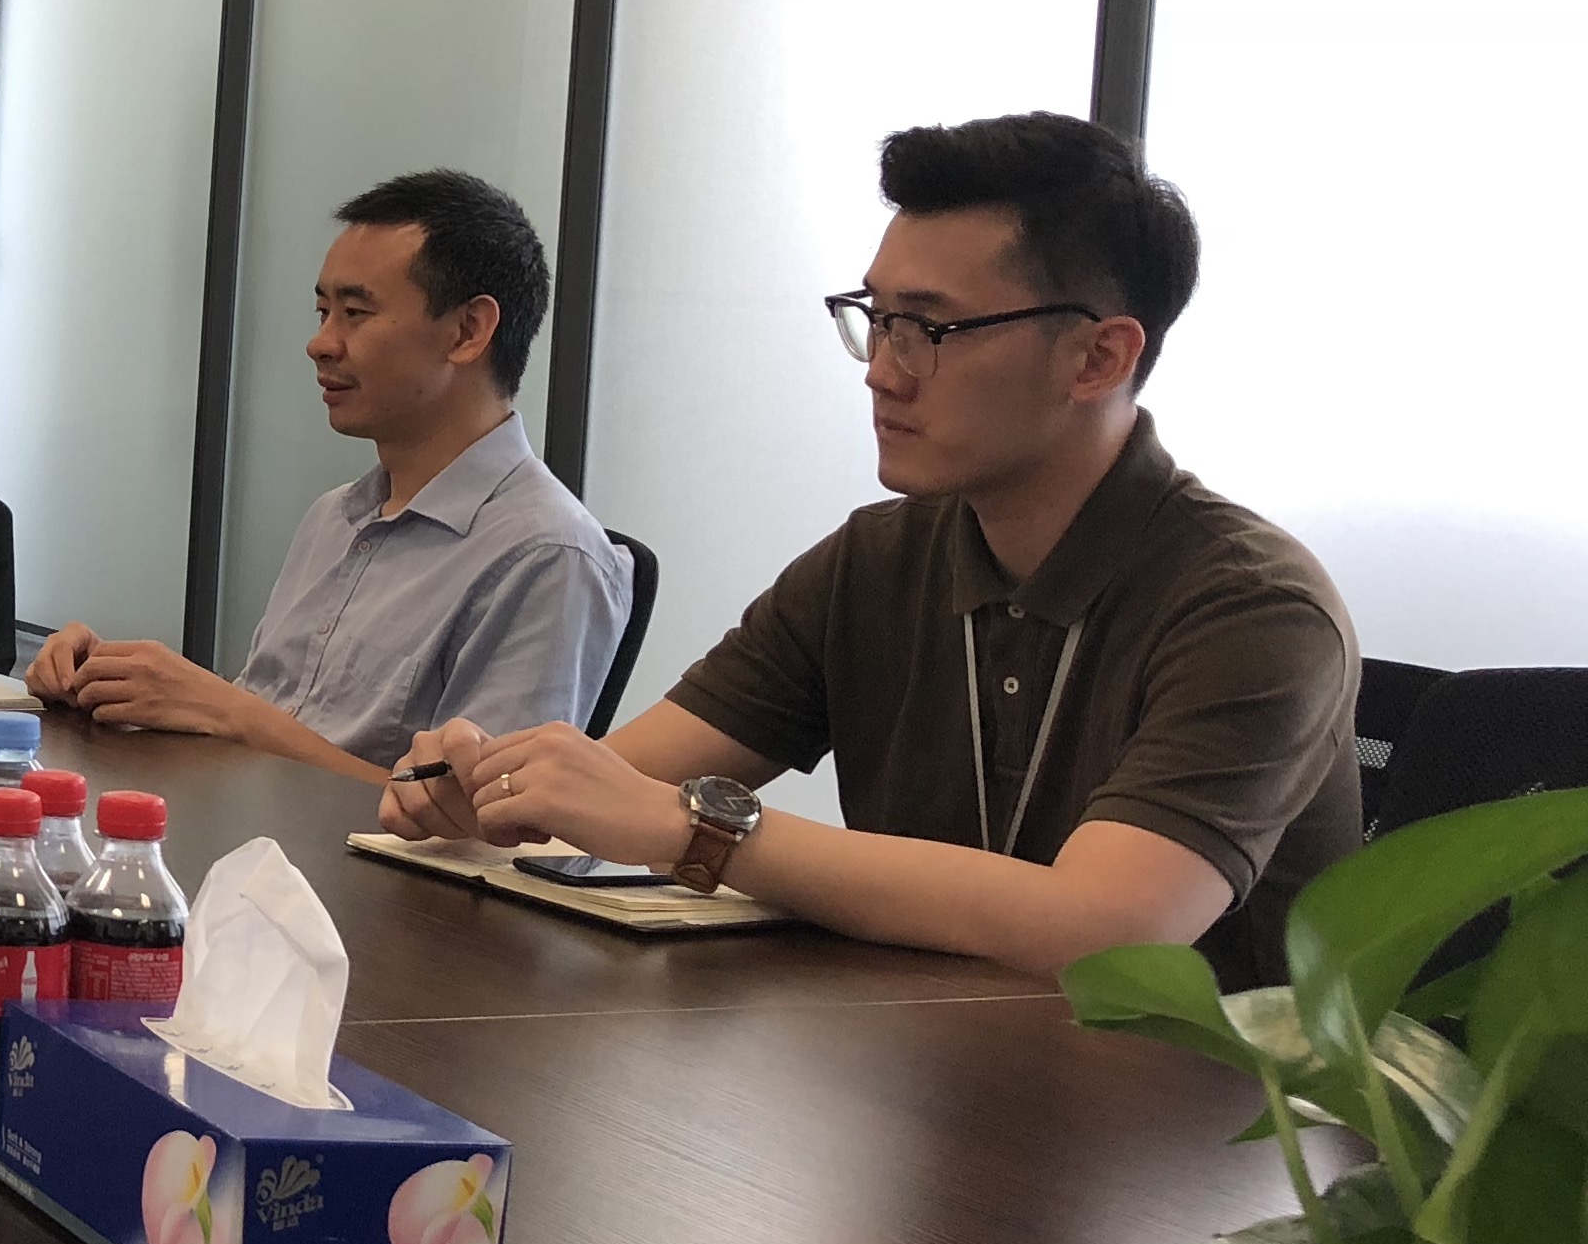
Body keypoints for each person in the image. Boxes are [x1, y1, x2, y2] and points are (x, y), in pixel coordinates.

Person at [383, 112, 1357, 984]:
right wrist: (498, 791)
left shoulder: (1254, 607)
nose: (882, 373)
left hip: (1203, 1116)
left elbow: (1106, 929)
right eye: (877, 322)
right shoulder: (875, 562)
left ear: (1099, 357)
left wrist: (698, 832)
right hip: (929, 1071)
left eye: (928, 328)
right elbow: (630, 781)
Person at [28, 170, 630, 776]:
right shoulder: (336, 516)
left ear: (467, 332)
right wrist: (116, 683)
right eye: (323, 311)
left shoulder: (550, 555)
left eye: (354, 313)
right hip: (243, 825)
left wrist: (229, 713)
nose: (320, 343)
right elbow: (263, 726)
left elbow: (479, 821)